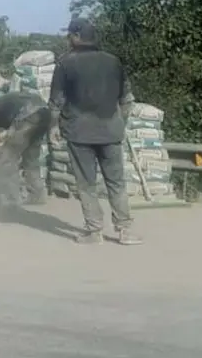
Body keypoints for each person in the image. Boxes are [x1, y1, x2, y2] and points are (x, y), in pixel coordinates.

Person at [49, 17, 141, 245]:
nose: (68, 39)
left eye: (70, 35)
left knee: (86, 183)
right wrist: (120, 123)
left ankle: (94, 230)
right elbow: (127, 100)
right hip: (111, 130)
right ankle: (124, 230)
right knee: (116, 182)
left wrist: (53, 127)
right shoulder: (113, 62)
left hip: (79, 132)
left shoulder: (65, 63)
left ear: (76, 37)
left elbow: (56, 102)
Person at [0, 91, 51, 209]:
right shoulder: (0, 102)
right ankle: (37, 195)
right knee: (31, 158)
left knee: (7, 159)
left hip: (27, 116)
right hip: (44, 112)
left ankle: (12, 199)